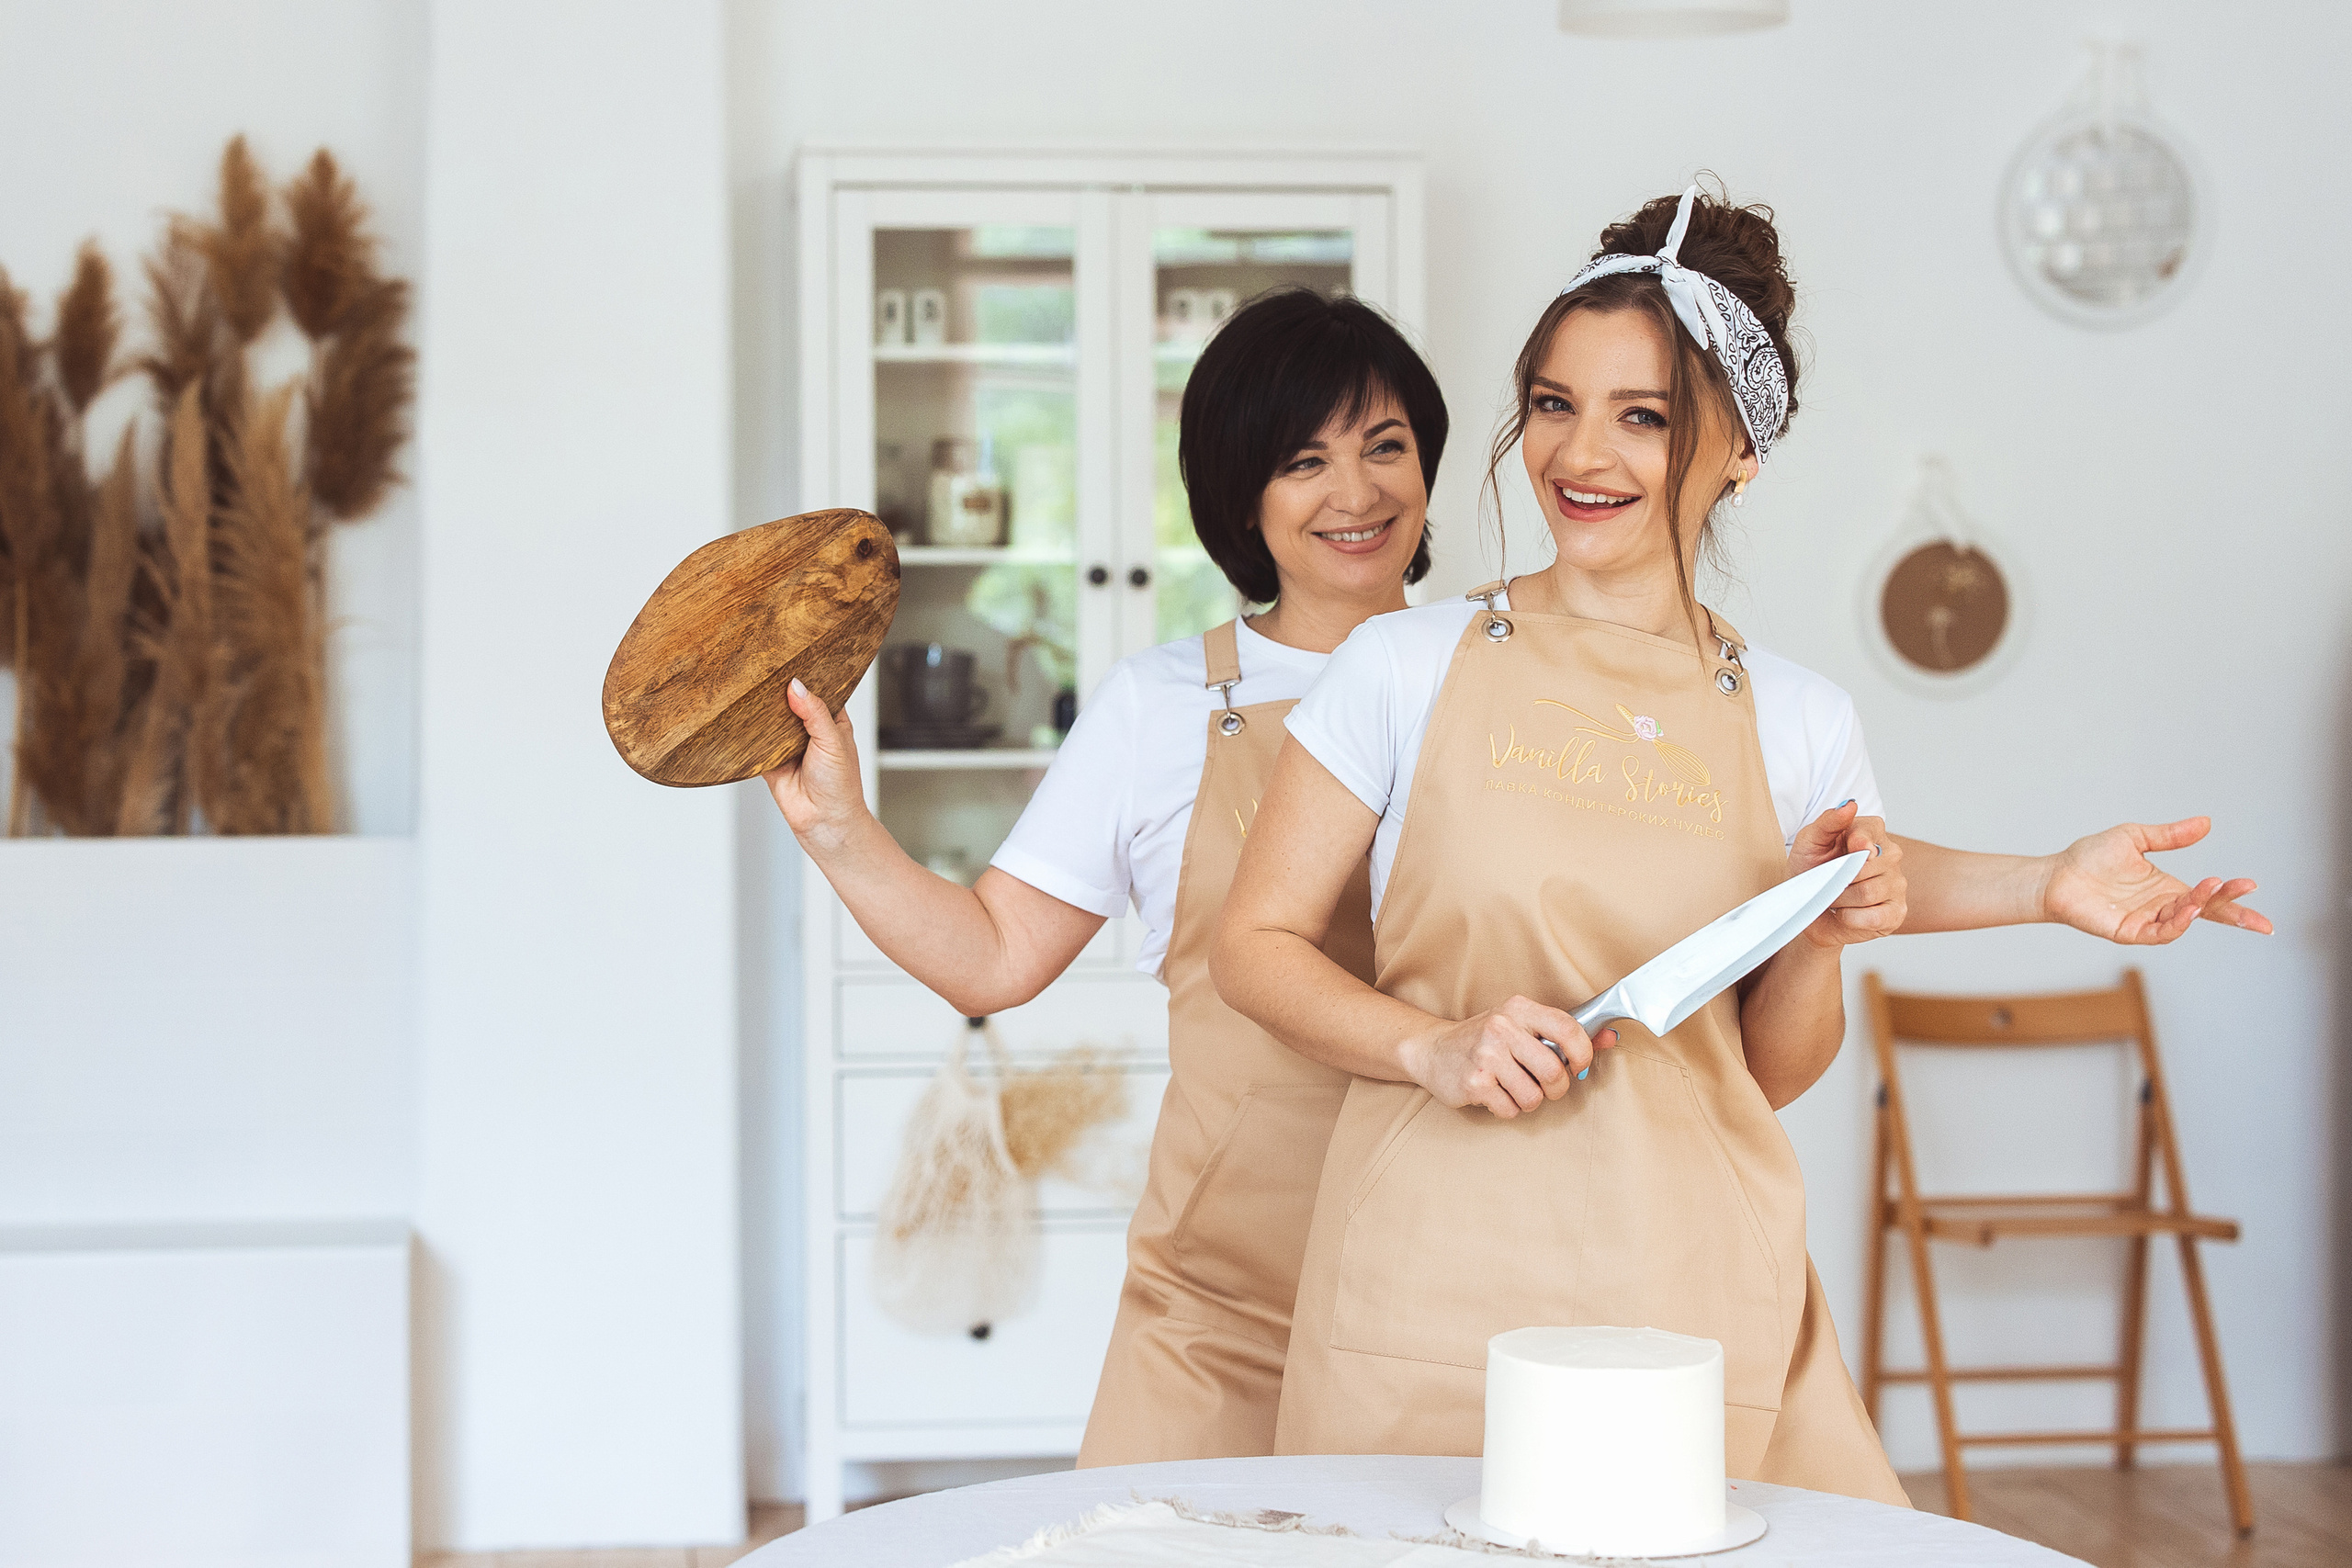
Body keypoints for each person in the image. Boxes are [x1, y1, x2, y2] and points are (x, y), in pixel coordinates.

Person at [765, 282, 2267, 1470]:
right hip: (1234, 1300)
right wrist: (841, 828)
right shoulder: (1200, 704)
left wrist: (2036, 880)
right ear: (1238, 495)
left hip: (1485, 1263)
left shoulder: (1501, 679)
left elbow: (1798, 872)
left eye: (1385, 446)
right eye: (1299, 460)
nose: (1352, 491)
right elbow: (993, 957)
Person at [1206, 187, 2264, 1501]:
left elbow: (1769, 1069)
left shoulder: (1800, 721)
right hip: (1424, 1282)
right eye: (1552, 402)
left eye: (1641, 416)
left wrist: (2028, 889)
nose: (1579, 453)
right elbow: (1250, 949)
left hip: (1688, 1289)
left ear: (1742, 451)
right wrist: (1433, 1043)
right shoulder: (1402, 666)